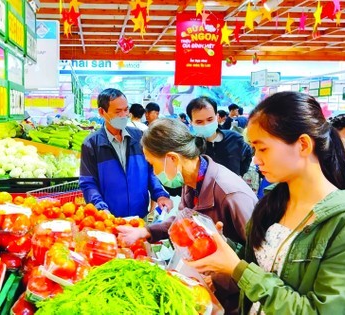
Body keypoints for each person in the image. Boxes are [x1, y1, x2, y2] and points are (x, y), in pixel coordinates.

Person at [187, 91, 345, 314]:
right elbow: (269, 265)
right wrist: (224, 250)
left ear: (303, 145)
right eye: (254, 149)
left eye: (263, 148)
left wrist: (239, 270)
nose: (256, 159)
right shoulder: (273, 203)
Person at [116, 118, 257, 315]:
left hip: (236, 300)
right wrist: (145, 231)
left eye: (153, 165)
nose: (154, 173)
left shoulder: (230, 194)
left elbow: (259, 256)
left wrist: (221, 276)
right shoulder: (191, 180)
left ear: (172, 159)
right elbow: (184, 221)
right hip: (211, 290)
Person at [79, 88, 172, 218]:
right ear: (102, 112)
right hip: (109, 220)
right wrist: (100, 207)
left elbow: (151, 171)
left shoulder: (140, 138)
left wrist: (160, 194)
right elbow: (88, 183)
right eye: (118, 111)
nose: (123, 115)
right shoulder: (92, 144)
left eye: (126, 110)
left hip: (139, 218)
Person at [187, 97, 253, 176]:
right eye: (199, 122)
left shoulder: (234, 138)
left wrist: (240, 174)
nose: (205, 125)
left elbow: (247, 154)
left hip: (232, 186)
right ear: (191, 122)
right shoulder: (191, 147)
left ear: (217, 116)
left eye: (210, 119)